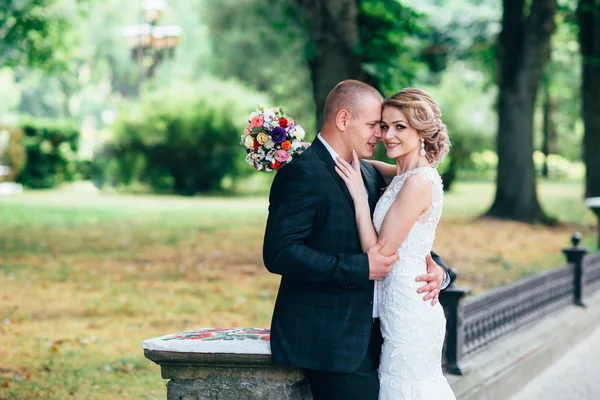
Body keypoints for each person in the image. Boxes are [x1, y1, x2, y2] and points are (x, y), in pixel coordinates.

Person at [263, 80, 450, 400]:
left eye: (389, 126)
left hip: (384, 331)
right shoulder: (303, 172)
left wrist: (442, 272)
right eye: (375, 125)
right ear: (343, 120)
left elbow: (406, 233)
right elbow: (280, 252)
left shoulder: (368, 172)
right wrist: (360, 267)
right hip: (330, 339)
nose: (381, 134)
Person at [334, 87, 455, 399]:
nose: (387, 135)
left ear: (422, 132)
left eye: (400, 127)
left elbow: (380, 254)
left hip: (409, 315)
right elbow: (371, 166)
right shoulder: (403, 174)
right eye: (384, 126)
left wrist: (361, 200)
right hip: (399, 307)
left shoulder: (418, 182)